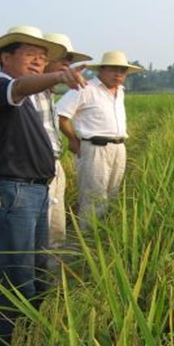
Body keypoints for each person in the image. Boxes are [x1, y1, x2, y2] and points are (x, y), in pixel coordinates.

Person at [0, 25, 86, 346]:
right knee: (15, 272)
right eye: (30, 55)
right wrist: (58, 77)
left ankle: (31, 337)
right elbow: (20, 86)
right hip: (11, 192)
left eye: (42, 58)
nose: (38, 62)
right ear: (5, 58)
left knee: (35, 267)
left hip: (34, 191)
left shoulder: (33, 98)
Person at [56, 51, 143, 230]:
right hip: (94, 148)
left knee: (112, 193)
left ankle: (102, 238)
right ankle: (86, 241)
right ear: (101, 70)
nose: (118, 74)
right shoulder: (85, 88)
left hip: (119, 147)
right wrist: (73, 139)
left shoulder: (120, 92)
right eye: (113, 69)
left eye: (122, 70)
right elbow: (60, 115)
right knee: (94, 195)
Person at [34, 33, 91, 264]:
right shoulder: (26, 93)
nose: (67, 63)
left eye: (69, 59)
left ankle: (54, 280)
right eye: (62, 59)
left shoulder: (47, 94)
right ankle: (42, 283)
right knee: (42, 229)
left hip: (54, 164)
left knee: (57, 226)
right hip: (35, 170)